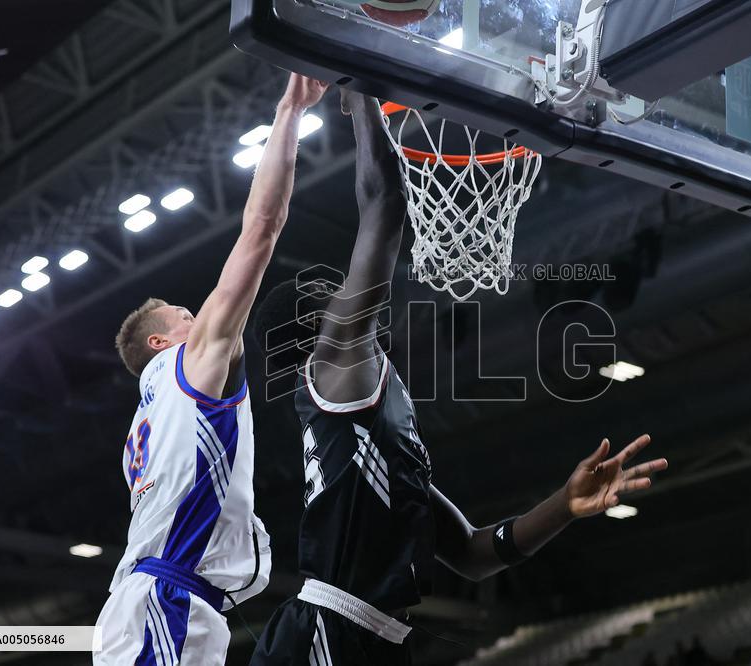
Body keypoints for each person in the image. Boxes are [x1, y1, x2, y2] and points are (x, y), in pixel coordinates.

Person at [249, 89, 668, 665]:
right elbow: (384, 204)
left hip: (373, 637)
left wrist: (565, 504)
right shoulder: (331, 367)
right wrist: (361, 94)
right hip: (327, 631)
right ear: (314, 332)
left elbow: (473, 553)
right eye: (329, 292)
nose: (345, 291)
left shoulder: (372, 420)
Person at [94, 73, 329, 665]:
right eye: (186, 315)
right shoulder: (187, 364)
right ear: (160, 342)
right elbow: (260, 230)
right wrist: (290, 111)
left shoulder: (149, 419)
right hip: (165, 603)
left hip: (156, 601)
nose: (200, 317)